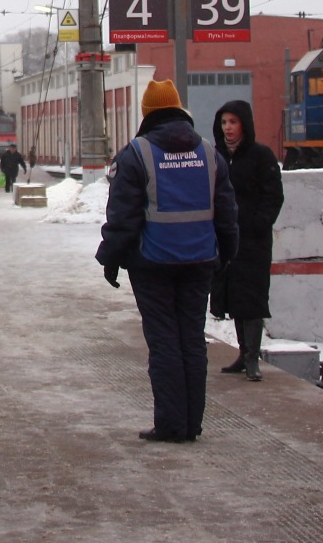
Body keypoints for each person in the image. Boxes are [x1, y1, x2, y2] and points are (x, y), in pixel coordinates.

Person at [96, 79, 238, 442]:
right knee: (192, 340)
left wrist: (110, 258)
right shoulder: (209, 152)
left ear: (147, 114)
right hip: (199, 261)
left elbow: (123, 217)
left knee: (164, 342)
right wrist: (225, 253)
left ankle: (172, 424)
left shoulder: (137, 153)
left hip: (152, 263)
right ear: (179, 110)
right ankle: (192, 423)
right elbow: (226, 212)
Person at [211, 100, 285, 381]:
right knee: (232, 296)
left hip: (253, 240)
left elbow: (273, 196)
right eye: (224, 123)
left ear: (244, 124)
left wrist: (257, 224)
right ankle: (243, 353)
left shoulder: (260, 156)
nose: (228, 128)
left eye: (233, 122)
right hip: (225, 238)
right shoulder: (215, 155)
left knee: (252, 296)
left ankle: (253, 356)